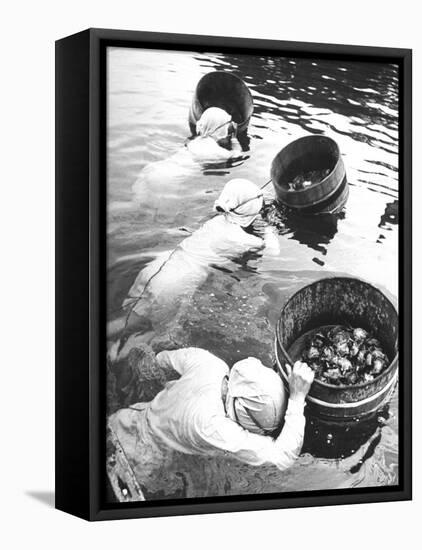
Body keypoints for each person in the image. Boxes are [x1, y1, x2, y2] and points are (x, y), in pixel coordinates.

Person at [108, 178, 279, 346]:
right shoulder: (242, 239)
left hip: (159, 265)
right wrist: (269, 225)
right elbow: (273, 251)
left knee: (129, 314)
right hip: (176, 281)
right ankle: (118, 350)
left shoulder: (216, 221)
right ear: (251, 211)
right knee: (148, 328)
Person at [109, 347, 314, 471]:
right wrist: (297, 399)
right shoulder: (213, 426)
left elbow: (160, 360)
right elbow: (284, 458)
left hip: (127, 418)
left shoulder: (208, 362)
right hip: (140, 459)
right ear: (240, 413)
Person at [132, 107, 243, 223]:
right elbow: (237, 154)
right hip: (169, 179)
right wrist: (234, 138)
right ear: (221, 129)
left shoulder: (196, 141)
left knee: (145, 210)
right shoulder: (216, 152)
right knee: (162, 220)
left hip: (155, 168)